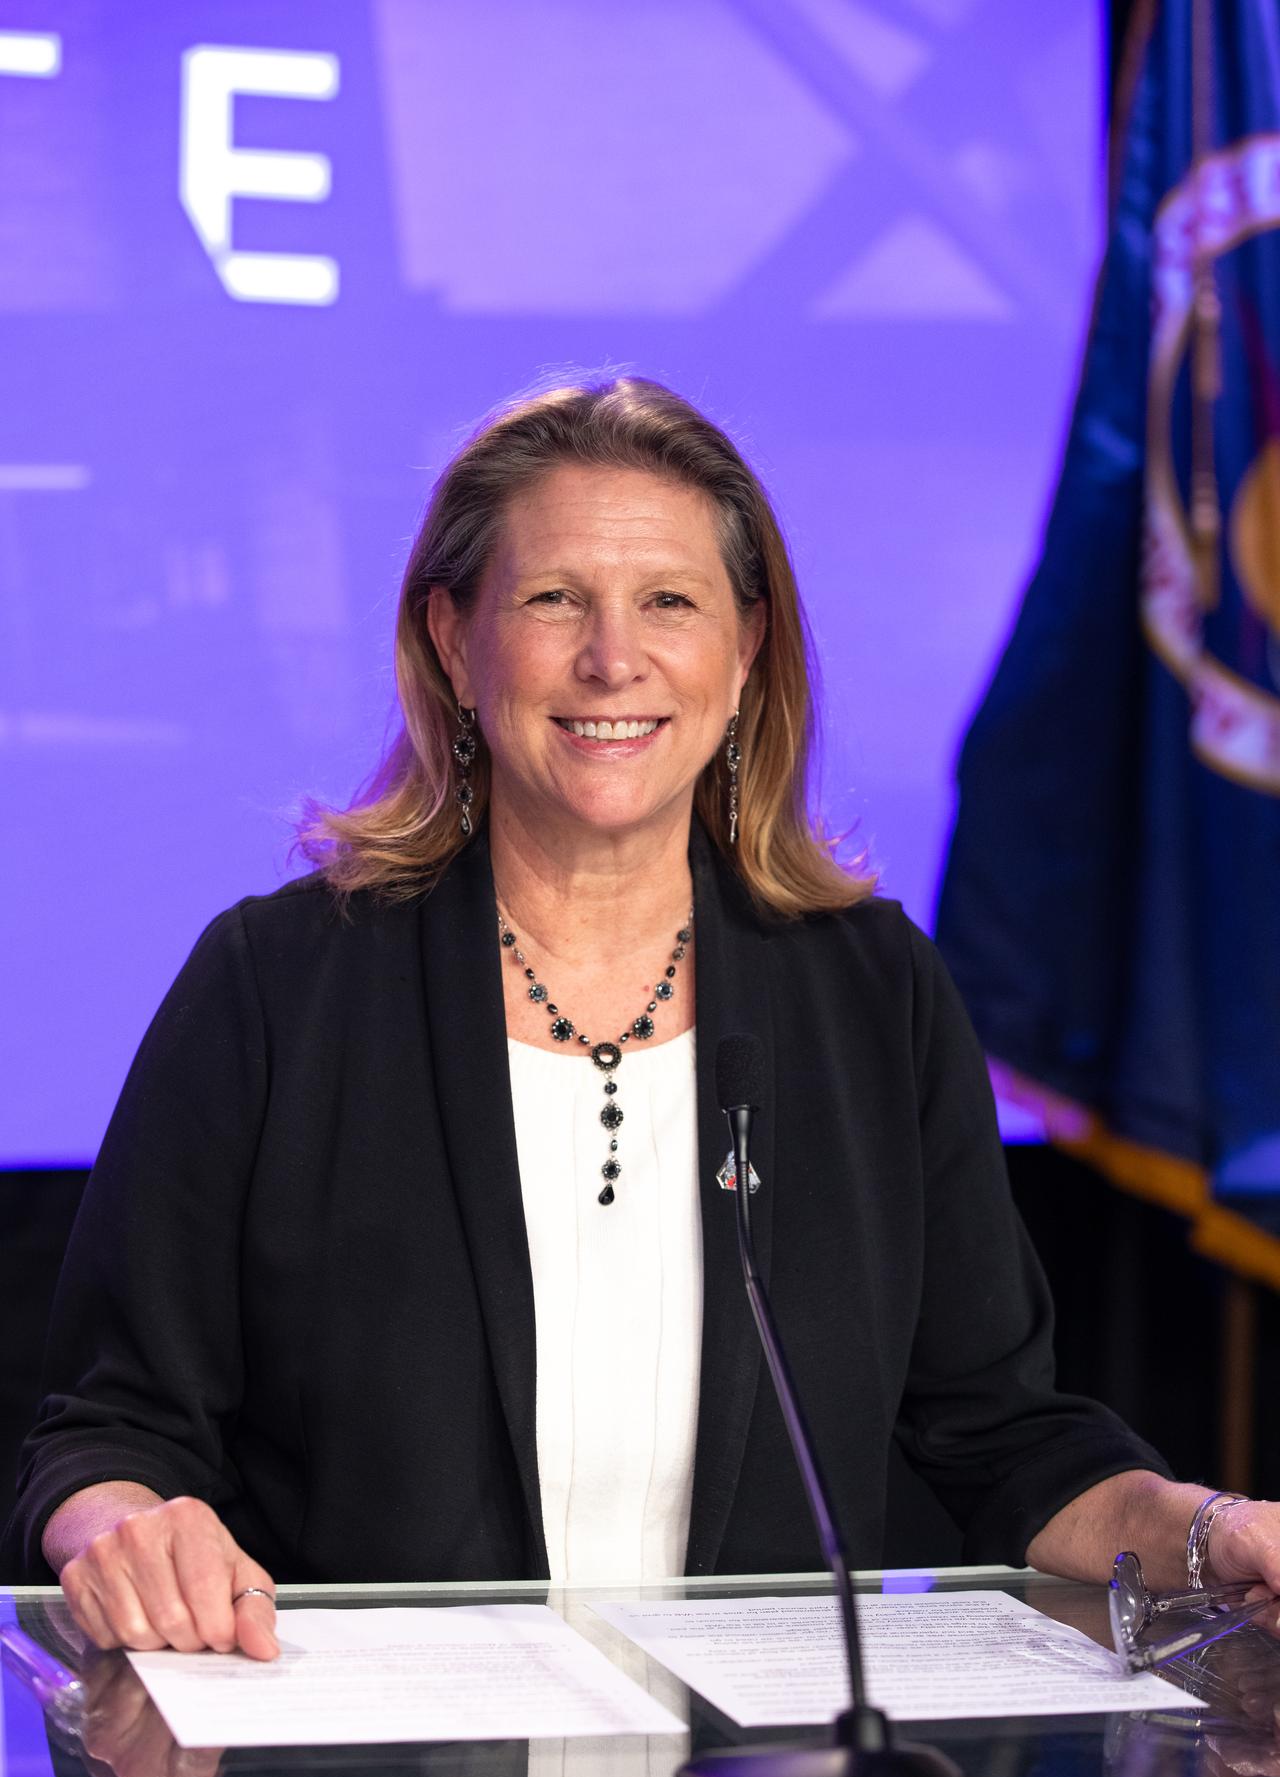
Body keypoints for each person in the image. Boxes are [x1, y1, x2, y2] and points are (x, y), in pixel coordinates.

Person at [8, 377, 1280, 1664]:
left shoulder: (870, 991)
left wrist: (1204, 1528)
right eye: (553, 599)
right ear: (453, 643)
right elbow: (110, 1433)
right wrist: (123, 1524)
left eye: (669, 602)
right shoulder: (277, 984)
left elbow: (1002, 1435)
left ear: (743, 654)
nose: (612, 659)